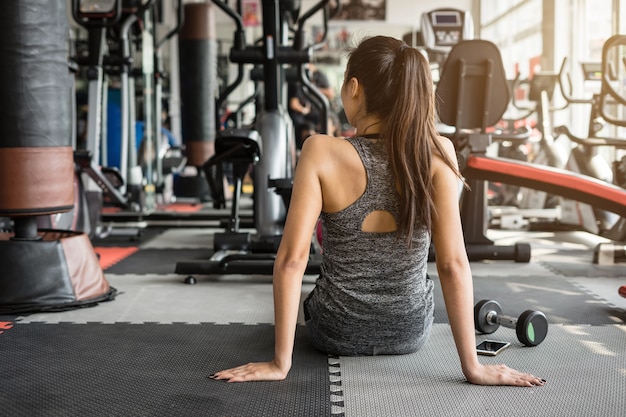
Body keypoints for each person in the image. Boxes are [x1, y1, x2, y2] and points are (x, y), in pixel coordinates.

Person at [210, 36, 546, 387]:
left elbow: (292, 261)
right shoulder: (438, 153)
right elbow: (452, 264)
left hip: (334, 331)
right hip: (410, 332)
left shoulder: (320, 151)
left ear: (353, 88)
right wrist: (473, 367)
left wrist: (280, 363)